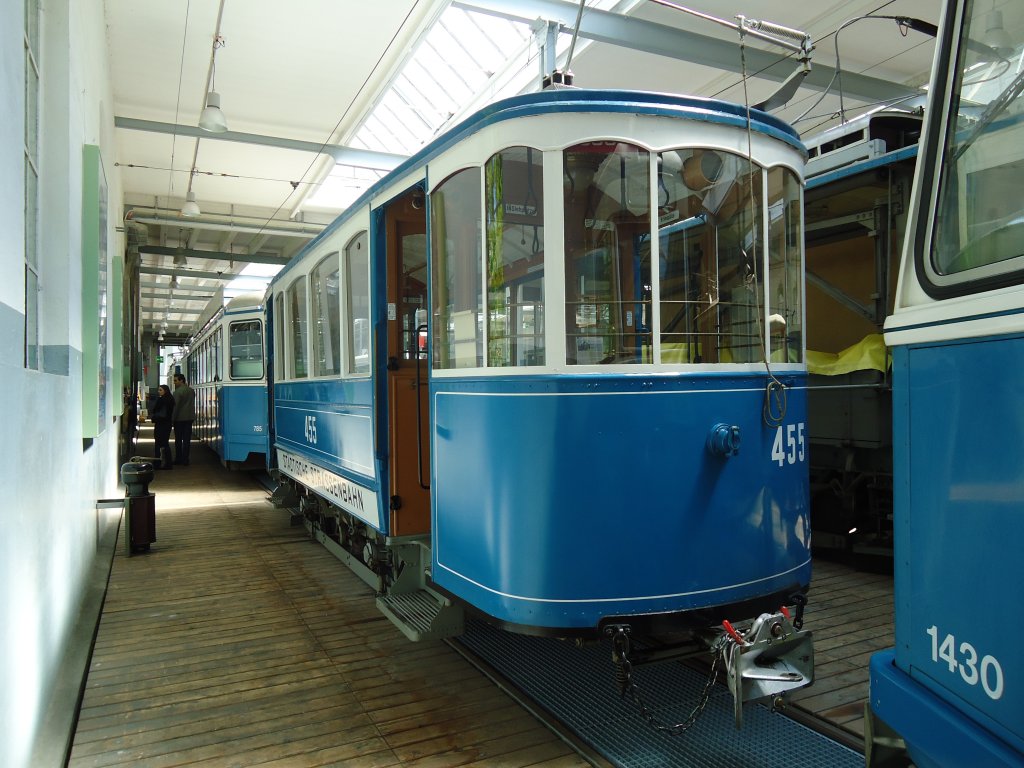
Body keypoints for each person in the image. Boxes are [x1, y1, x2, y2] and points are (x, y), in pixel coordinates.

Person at [171, 374, 196, 466]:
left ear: (181, 380)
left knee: (178, 440)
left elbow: (176, 407)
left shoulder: (177, 392)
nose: (174, 382)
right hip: (189, 418)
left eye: (176, 380)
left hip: (179, 419)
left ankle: (178, 459)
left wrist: (172, 419)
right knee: (186, 440)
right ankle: (186, 459)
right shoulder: (191, 391)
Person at [150, 384, 175, 469]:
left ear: (165, 391)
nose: (158, 391)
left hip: (161, 423)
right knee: (165, 443)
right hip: (167, 424)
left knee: (159, 443)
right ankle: (167, 462)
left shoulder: (162, 400)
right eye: (158, 390)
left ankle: (159, 462)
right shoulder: (170, 399)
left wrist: (154, 416)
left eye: (160, 390)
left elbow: (158, 411)